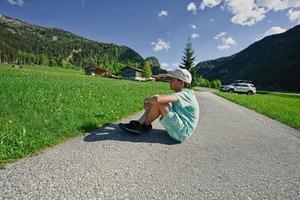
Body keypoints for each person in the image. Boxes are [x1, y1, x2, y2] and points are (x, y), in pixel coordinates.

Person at [119, 68, 199, 142]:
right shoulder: (184, 94)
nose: (169, 81)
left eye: (172, 79)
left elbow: (158, 99)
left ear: (181, 82)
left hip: (182, 132)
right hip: (180, 131)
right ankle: (141, 124)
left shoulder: (186, 94)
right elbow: (158, 98)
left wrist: (146, 100)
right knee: (157, 101)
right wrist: (151, 100)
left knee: (159, 102)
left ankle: (141, 126)